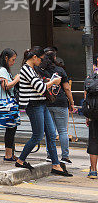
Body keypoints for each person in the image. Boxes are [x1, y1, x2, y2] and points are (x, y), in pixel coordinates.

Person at [15, 46, 71, 176]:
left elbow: (39, 85)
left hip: (41, 104)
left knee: (51, 134)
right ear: (34, 57)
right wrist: (53, 82)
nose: (41, 61)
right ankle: (21, 159)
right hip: (34, 105)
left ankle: (56, 165)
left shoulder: (33, 69)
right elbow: (40, 88)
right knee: (38, 136)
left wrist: (48, 81)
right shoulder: (26, 69)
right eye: (40, 59)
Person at [40, 47, 73, 164]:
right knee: (63, 131)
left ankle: (50, 155)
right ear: (54, 58)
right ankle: (65, 157)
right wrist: (72, 103)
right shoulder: (60, 70)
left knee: (50, 131)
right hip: (61, 103)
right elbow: (67, 88)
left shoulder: (41, 70)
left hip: (47, 103)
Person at [0, 48, 21, 162]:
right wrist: (16, 79)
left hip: (7, 102)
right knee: (11, 128)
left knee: (11, 128)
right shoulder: (2, 70)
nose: (13, 62)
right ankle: (8, 154)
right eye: (12, 59)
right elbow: (5, 86)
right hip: (6, 102)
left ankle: (10, 154)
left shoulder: (2, 69)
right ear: (6, 58)